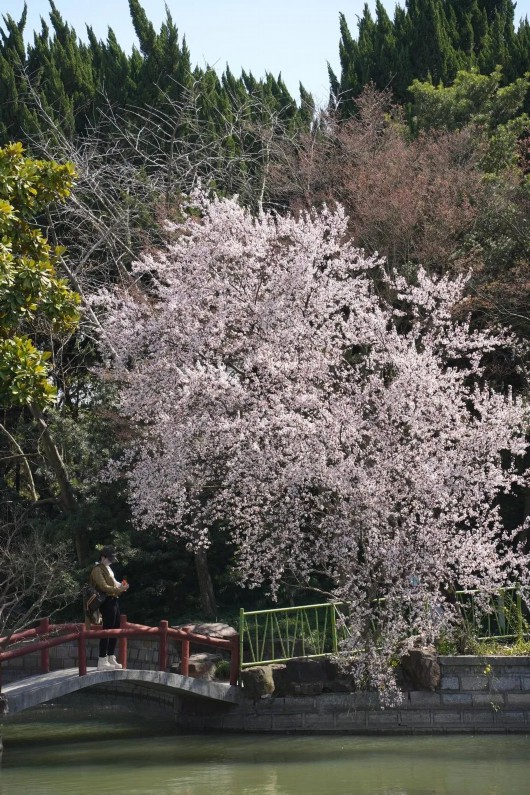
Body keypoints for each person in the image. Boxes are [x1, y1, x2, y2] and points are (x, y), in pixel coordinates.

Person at [90, 545, 129, 670]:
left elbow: (114, 583)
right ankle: (102, 659)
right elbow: (103, 587)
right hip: (105, 601)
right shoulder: (97, 570)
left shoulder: (108, 568)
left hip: (113, 600)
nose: (111, 561)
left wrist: (121, 585)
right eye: (110, 559)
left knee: (115, 627)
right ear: (103, 557)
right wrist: (119, 589)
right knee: (107, 629)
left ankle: (111, 656)